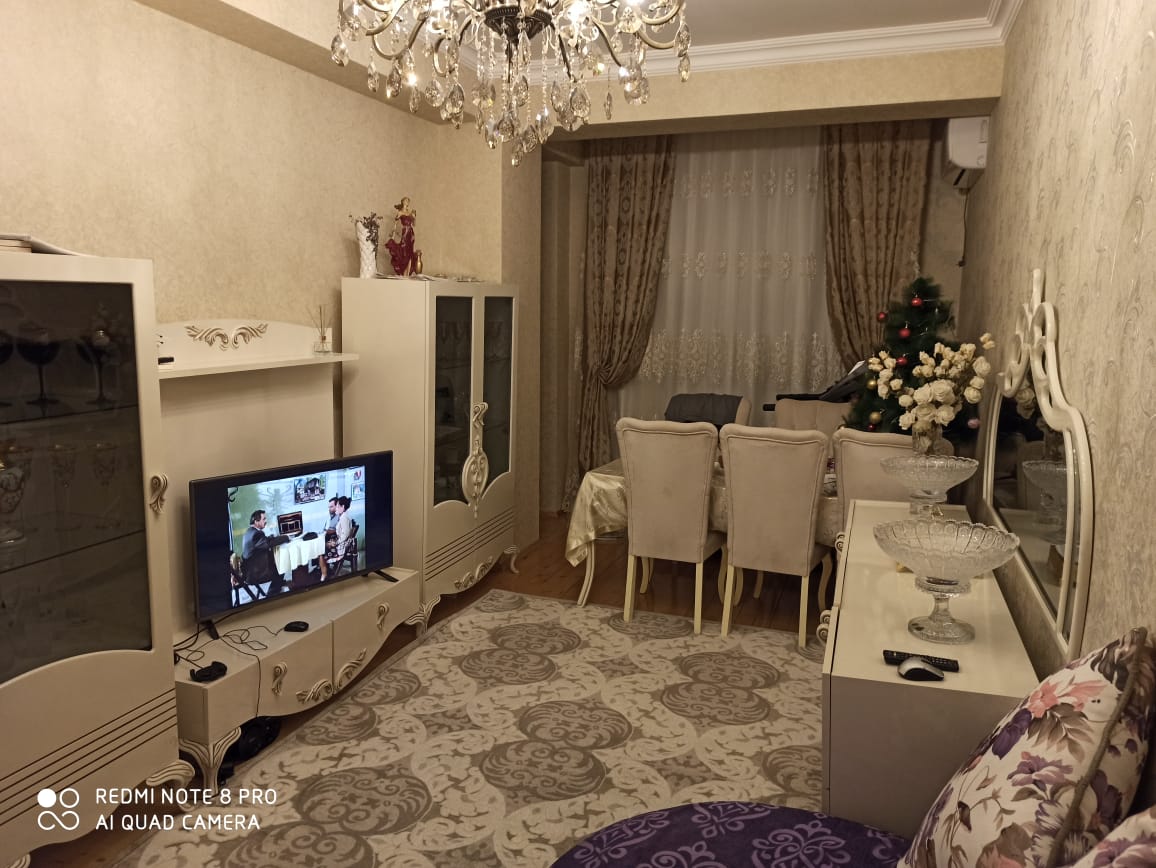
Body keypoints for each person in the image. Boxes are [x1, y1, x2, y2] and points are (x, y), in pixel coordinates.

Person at [241, 509, 294, 591]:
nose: (266, 521)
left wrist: (272, 537)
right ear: (256, 521)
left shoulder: (250, 531)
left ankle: (279, 583)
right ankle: (273, 592)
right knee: (281, 566)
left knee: (277, 563)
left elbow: (263, 541)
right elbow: (268, 543)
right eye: (264, 519)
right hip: (255, 574)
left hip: (250, 570)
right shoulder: (256, 534)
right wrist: (286, 537)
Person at [384, 197, 421, 276]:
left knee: (410, 252)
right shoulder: (400, 212)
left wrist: (414, 218)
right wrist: (393, 235)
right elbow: (395, 224)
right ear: (403, 202)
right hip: (405, 233)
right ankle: (403, 272)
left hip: (411, 233)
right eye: (406, 200)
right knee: (404, 251)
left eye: (408, 201)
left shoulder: (410, 212)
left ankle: (407, 273)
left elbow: (414, 224)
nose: (407, 202)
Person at [324, 496, 355, 576]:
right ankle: (326, 571)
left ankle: (326, 572)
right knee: (325, 545)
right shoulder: (343, 516)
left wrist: (336, 543)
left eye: (337, 507)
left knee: (323, 548)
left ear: (343, 507)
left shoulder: (344, 517)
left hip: (342, 547)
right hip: (341, 544)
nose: (336, 509)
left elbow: (345, 535)